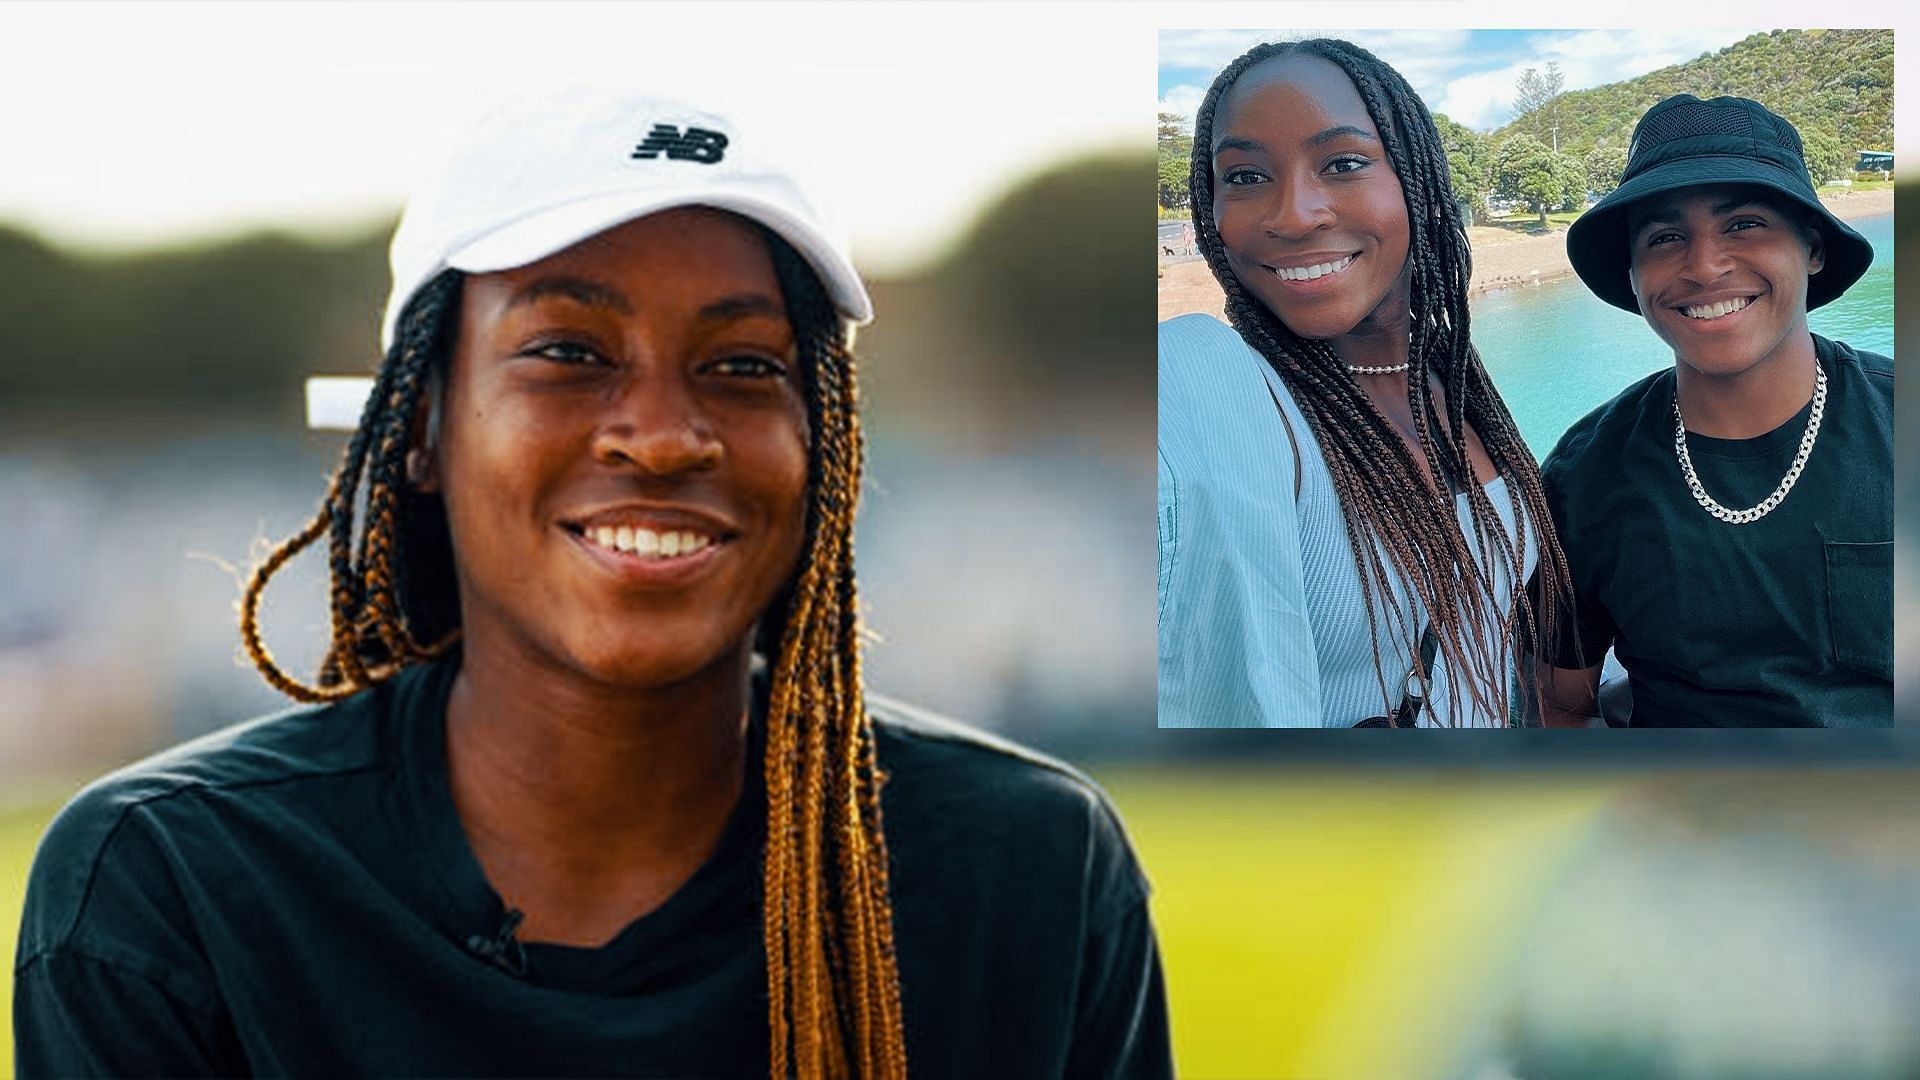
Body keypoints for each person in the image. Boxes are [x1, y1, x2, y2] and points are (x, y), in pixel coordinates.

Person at [13, 88, 1172, 1078]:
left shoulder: (1030, 872)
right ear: (418, 425)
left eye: (743, 366)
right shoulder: (176, 888)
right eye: (569, 352)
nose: (666, 437)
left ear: (825, 440)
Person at [1157, 38, 1575, 728]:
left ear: (1419, 183)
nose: (1293, 214)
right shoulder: (1215, 393)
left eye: (1344, 163)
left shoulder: (1456, 385)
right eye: (1245, 177)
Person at [1533, 94, 1892, 727]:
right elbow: (1561, 703)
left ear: (1811, 248)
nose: (1704, 267)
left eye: (1744, 224)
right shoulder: (1585, 473)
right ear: (1635, 272)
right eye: (1666, 237)